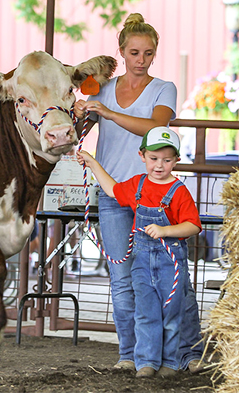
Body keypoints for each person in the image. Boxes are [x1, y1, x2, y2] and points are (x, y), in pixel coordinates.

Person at [73, 13, 205, 374]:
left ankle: (186, 352)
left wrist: (108, 113)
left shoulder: (164, 88)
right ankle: (131, 354)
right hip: (114, 192)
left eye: (148, 53)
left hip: (156, 193)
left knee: (173, 278)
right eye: (133, 53)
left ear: (154, 54)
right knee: (123, 278)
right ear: (121, 52)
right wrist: (83, 108)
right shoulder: (99, 86)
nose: (141, 60)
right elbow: (76, 109)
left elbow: (156, 126)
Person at [77, 127, 202, 378]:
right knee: (146, 312)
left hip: (170, 261)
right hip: (142, 261)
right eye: (154, 159)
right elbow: (112, 190)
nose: (159, 165)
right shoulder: (137, 185)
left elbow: (193, 225)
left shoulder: (179, 191)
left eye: (167, 160)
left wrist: (166, 230)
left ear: (176, 161)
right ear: (142, 155)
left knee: (171, 313)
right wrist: (92, 162)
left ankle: (171, 362)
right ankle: (146, 361)